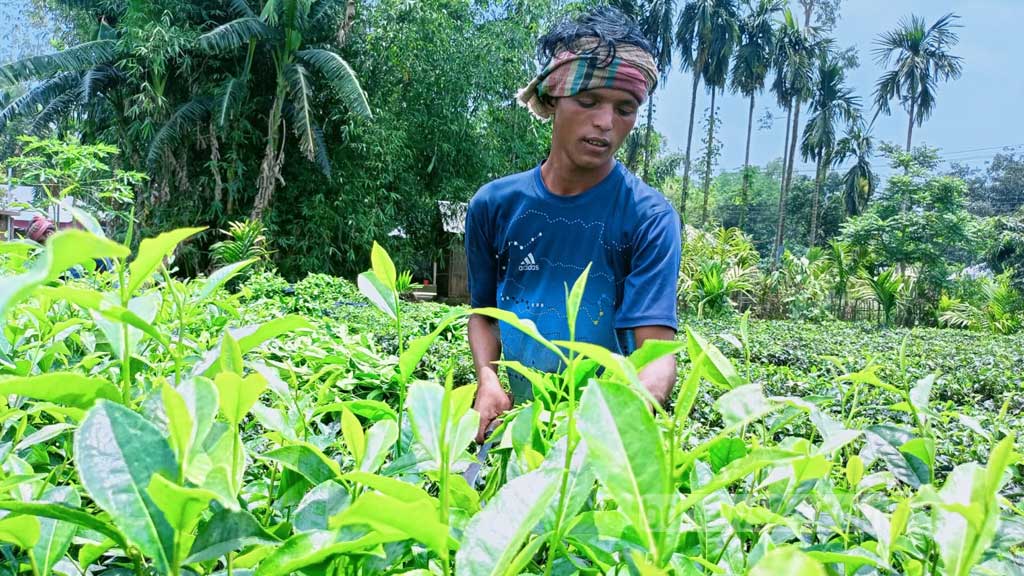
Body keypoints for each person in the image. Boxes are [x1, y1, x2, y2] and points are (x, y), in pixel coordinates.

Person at [464, 6, 682, 443]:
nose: (605, 122)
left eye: (625, 108)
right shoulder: (493, 205)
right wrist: (488, 380)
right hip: (516, 431)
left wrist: (609, 430)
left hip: (599, 439)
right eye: (588, 101)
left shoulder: (649, 218)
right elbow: (484, 314)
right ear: (552, 98)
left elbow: (655, 356)